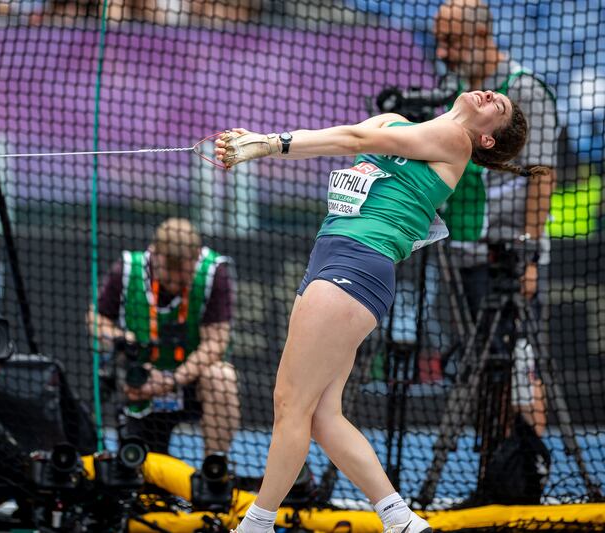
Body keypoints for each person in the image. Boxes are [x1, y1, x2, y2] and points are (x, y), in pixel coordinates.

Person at [215, 88, 533, 533]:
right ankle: (400, 520)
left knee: (290, 404)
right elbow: (337, 139)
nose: (488, 95)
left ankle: (256, 525)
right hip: (329, 258)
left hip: (357, 264)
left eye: (496, 107)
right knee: (323, 416)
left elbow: (351, 141)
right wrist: (262, 143)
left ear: (486, 141)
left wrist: (269, 144)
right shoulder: (393, 121)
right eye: (493, 94)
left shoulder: (456, 140)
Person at [434, 0, 556, 435]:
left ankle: (528, 472)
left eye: (451, 40)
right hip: (462, 253)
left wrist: (528, 256)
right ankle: (492, 472)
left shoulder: (523, 91)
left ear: (482, 36)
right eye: (439, 40)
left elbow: (542, 175)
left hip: (505, 258)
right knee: (481, 368)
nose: (442, 51)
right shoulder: (456, 88)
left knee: (520, 365)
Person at [89, 217, 240, 456]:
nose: (176, 284)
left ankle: (215, 468)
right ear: (155, 254)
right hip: (142, 381)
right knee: (145, 477)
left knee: (221, 377)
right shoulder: (129, 269)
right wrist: (120, 337)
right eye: (169, 277)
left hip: (190, 381)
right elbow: (96, 320)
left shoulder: (214, 273)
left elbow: (216, 342)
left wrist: (172, 380)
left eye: (184, 276)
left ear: (196, 258)